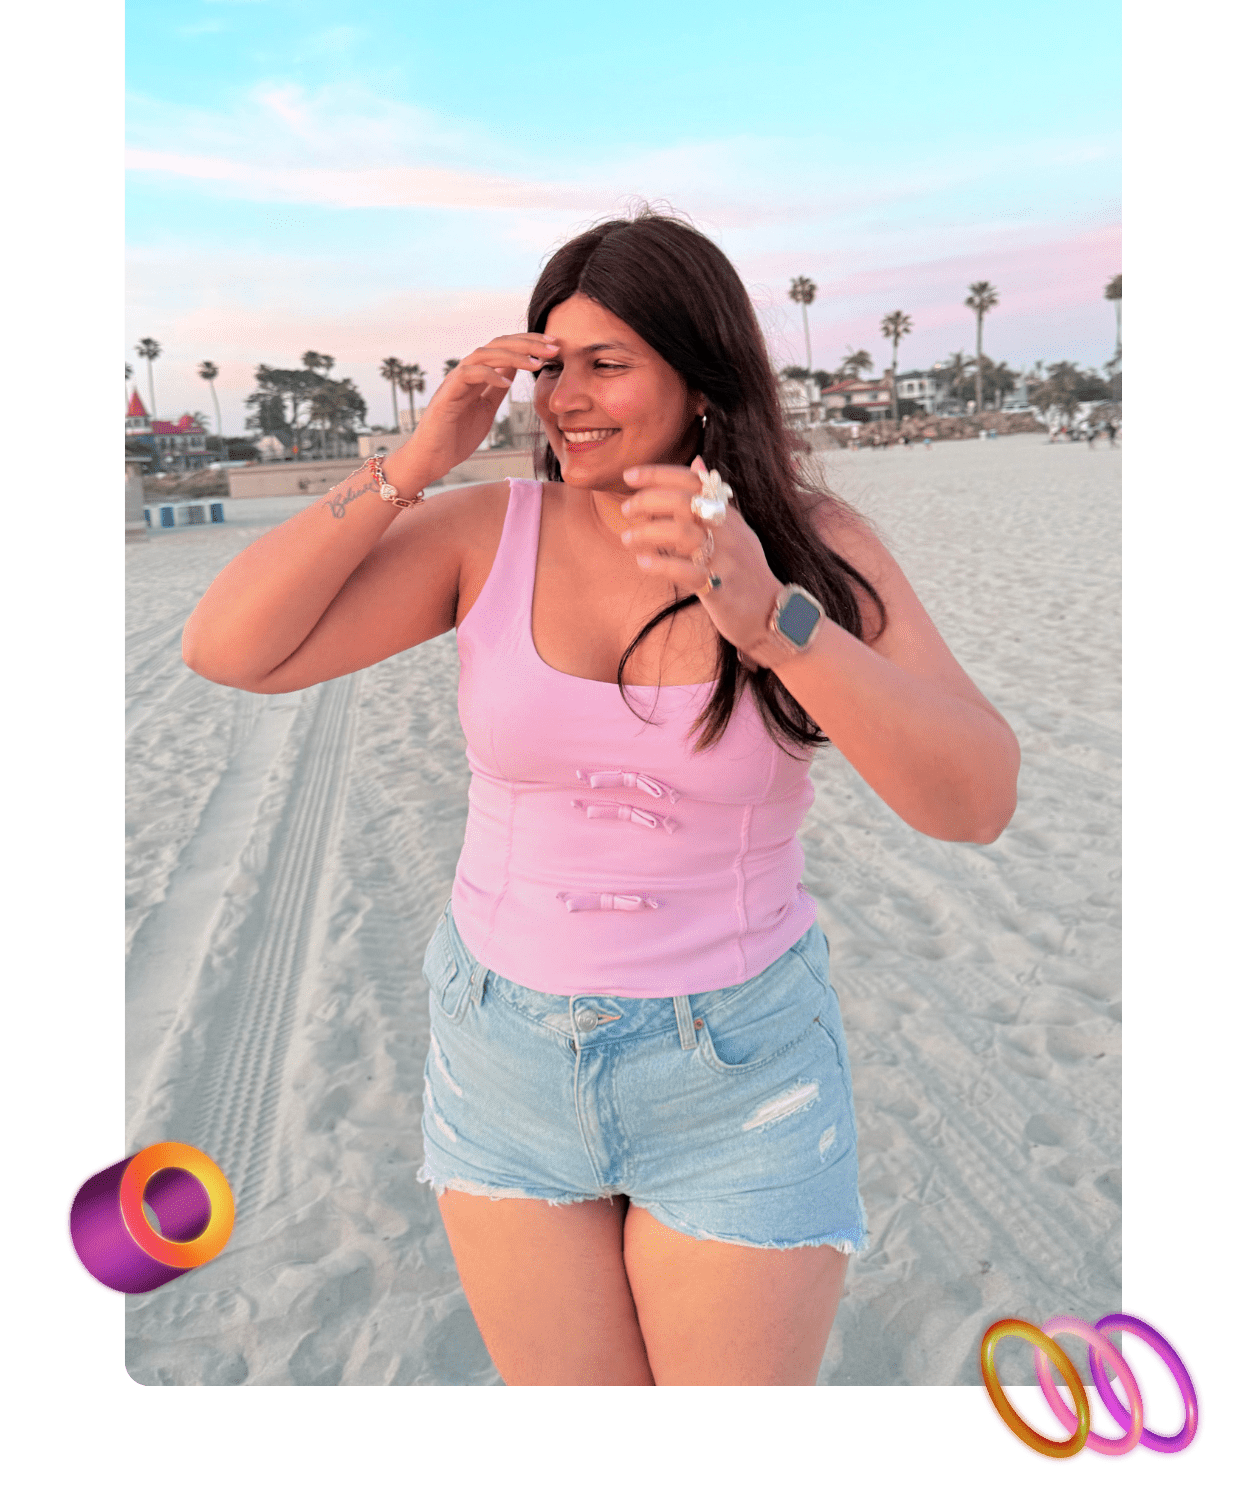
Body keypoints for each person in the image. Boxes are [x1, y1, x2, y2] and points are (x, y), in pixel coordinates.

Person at [182, 211, 1020, 1386]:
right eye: (550, 365)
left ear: (701, 377)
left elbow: (974, 800)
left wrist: (773, 620)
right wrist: (415, 464)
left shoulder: (806, 549)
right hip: (501, 1056)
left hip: (736, 1071)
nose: (565, 398)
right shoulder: (486, 533)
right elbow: (228, 648)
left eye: (606, 363)